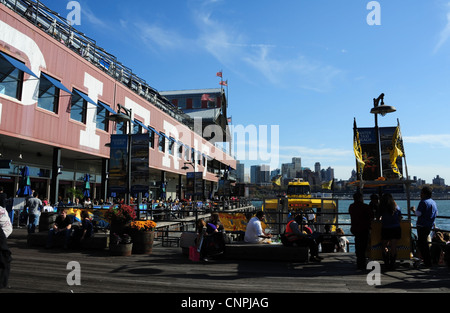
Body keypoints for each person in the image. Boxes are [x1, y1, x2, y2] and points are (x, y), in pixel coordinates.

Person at [411, 186, 438, 267]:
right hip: (429, 225)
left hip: (422, 225)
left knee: (422, 244)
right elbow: (436, 214)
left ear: (424, 194)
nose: (420, 194)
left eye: (421, 193)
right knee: (424, 243)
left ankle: (427, 262)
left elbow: (418, 213)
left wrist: (413, 210)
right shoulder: (433, 202)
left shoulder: (423, 202)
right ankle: (427, 261)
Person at [349, 191, 374, 270]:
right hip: (364, 228)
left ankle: (359, 262)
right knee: (363, 247)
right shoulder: (365, 206)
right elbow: (371, 216)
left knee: (358, 245)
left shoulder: (351, 206)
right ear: (360, 198)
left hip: (355, 228)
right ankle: (362, 263)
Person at [379, 193, 402, 270]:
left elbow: (377, 217)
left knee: (384, 245)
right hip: (395, 228)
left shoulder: (382, 207)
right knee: (393, 246)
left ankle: (386, 262)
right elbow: (400, 218)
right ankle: (392, 263)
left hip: (386, 228)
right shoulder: (396, 207)